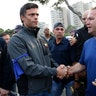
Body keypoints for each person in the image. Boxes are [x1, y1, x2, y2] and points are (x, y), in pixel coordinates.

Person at [8, 3, 67, 96]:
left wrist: (62, 68)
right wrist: (56, 71)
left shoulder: (41, 38)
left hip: (48, 88)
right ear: (22, 17)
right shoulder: (16, 40)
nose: (36, 17)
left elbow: (50, 59)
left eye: (37, 14)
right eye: (31, 15)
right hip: (31, 92)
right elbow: (29, 68)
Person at [68, 7, 96, 96]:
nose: (86, 22)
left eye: (91, 19)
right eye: (86, 19)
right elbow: (82, 64)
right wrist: (68, 70)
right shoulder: (87, 44)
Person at [48, 22, 75, 96]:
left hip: (69, 77)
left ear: (64, 31)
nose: (59, 31)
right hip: (56, 77)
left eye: (61, 29)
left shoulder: (70, 43)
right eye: (57, 29)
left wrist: (70, 72)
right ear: (53, 31)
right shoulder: (51, 43)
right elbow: (49, 59)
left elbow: (74, 61)